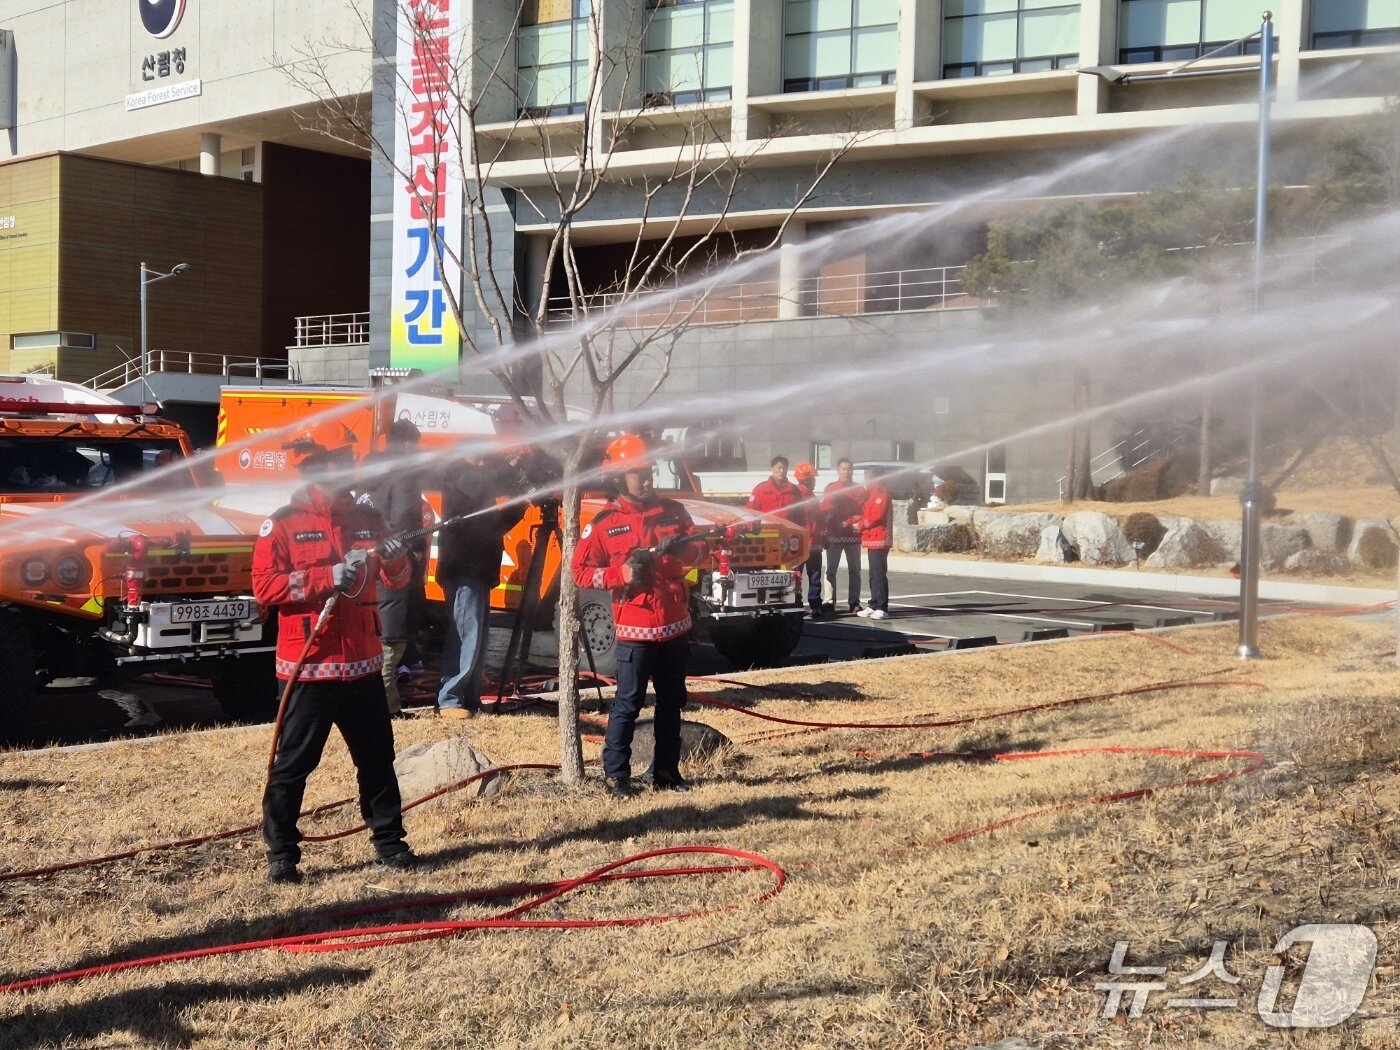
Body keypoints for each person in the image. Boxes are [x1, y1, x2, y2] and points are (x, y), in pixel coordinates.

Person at [252, 425, 416, 885]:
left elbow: (397, 579)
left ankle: (390, 843)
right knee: (294, 765)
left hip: (362, 667)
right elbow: (264, 588)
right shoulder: (281, 523)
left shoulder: (367, 518)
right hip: (309, 668)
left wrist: (399, 556)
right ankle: (282, 854)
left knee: (378, 758)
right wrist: (327, 575)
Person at [571, 433, 708, 799]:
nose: (647, 479)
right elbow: (580, 572)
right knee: (628, 704)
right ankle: (617, 776)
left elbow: (702, 550)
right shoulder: (604, 523)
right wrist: (622, 575)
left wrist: (685, 549)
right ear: (619, 477)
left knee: (671, 702)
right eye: (637, 474)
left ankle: (666, 771)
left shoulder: (674, 513)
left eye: (649, 471)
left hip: (675, 627)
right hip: (635, 631)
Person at [436, 444, 526, 718]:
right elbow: (485, 482)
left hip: (479, 570)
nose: (488, 461)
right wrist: (512, 469)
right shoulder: (459, 475)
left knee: (477, 638)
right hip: (464, 569)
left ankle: (469, 698)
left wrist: (520, 502)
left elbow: (493, 525)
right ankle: (450, 698)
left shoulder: (479, 482)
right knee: (465, 635)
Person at [358, 419, 426, 717]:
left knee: (377, 629)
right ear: (409, 444)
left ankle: (379, 704)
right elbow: (403, 516)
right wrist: (413, 547)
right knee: (392, 638)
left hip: (365, 559)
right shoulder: (404, 475)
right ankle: (386, 708)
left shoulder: (370, 470)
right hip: (393, 560)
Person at [821, 458, 866, 615]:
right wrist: (829, 526)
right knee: (830, 570)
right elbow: (825, 510)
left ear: (852, 471)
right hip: (834, 536)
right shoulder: (830, 488)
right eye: (843, 469)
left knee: (855, 570)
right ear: (838, 471)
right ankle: (828, 602)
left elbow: (864, 512)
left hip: (853, 536)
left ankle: (854, 602)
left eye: (849, 468)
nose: (846, 472)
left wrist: (849, 522)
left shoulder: (859, 489)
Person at [853, 464, 892, 621]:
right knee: (873, 574)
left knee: (879, 574)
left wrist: (860, 525)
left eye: (868, 474)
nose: (866, 477)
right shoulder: (871, 492)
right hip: (872, 538)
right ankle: (873, 604)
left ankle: (882, 607)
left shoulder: (880, 492)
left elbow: (877, 515)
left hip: (880, 539)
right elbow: (866, 513)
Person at [792, 462, 824, 615]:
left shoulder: (794, 495)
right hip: (813, 543)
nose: (815, 481)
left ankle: (795, 603)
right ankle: (815, 605)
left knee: (796, 575)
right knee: (814, 576)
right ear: (807, 480)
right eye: (813, 478)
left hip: (798, 544)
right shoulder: (810, 497)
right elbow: (819, 520)